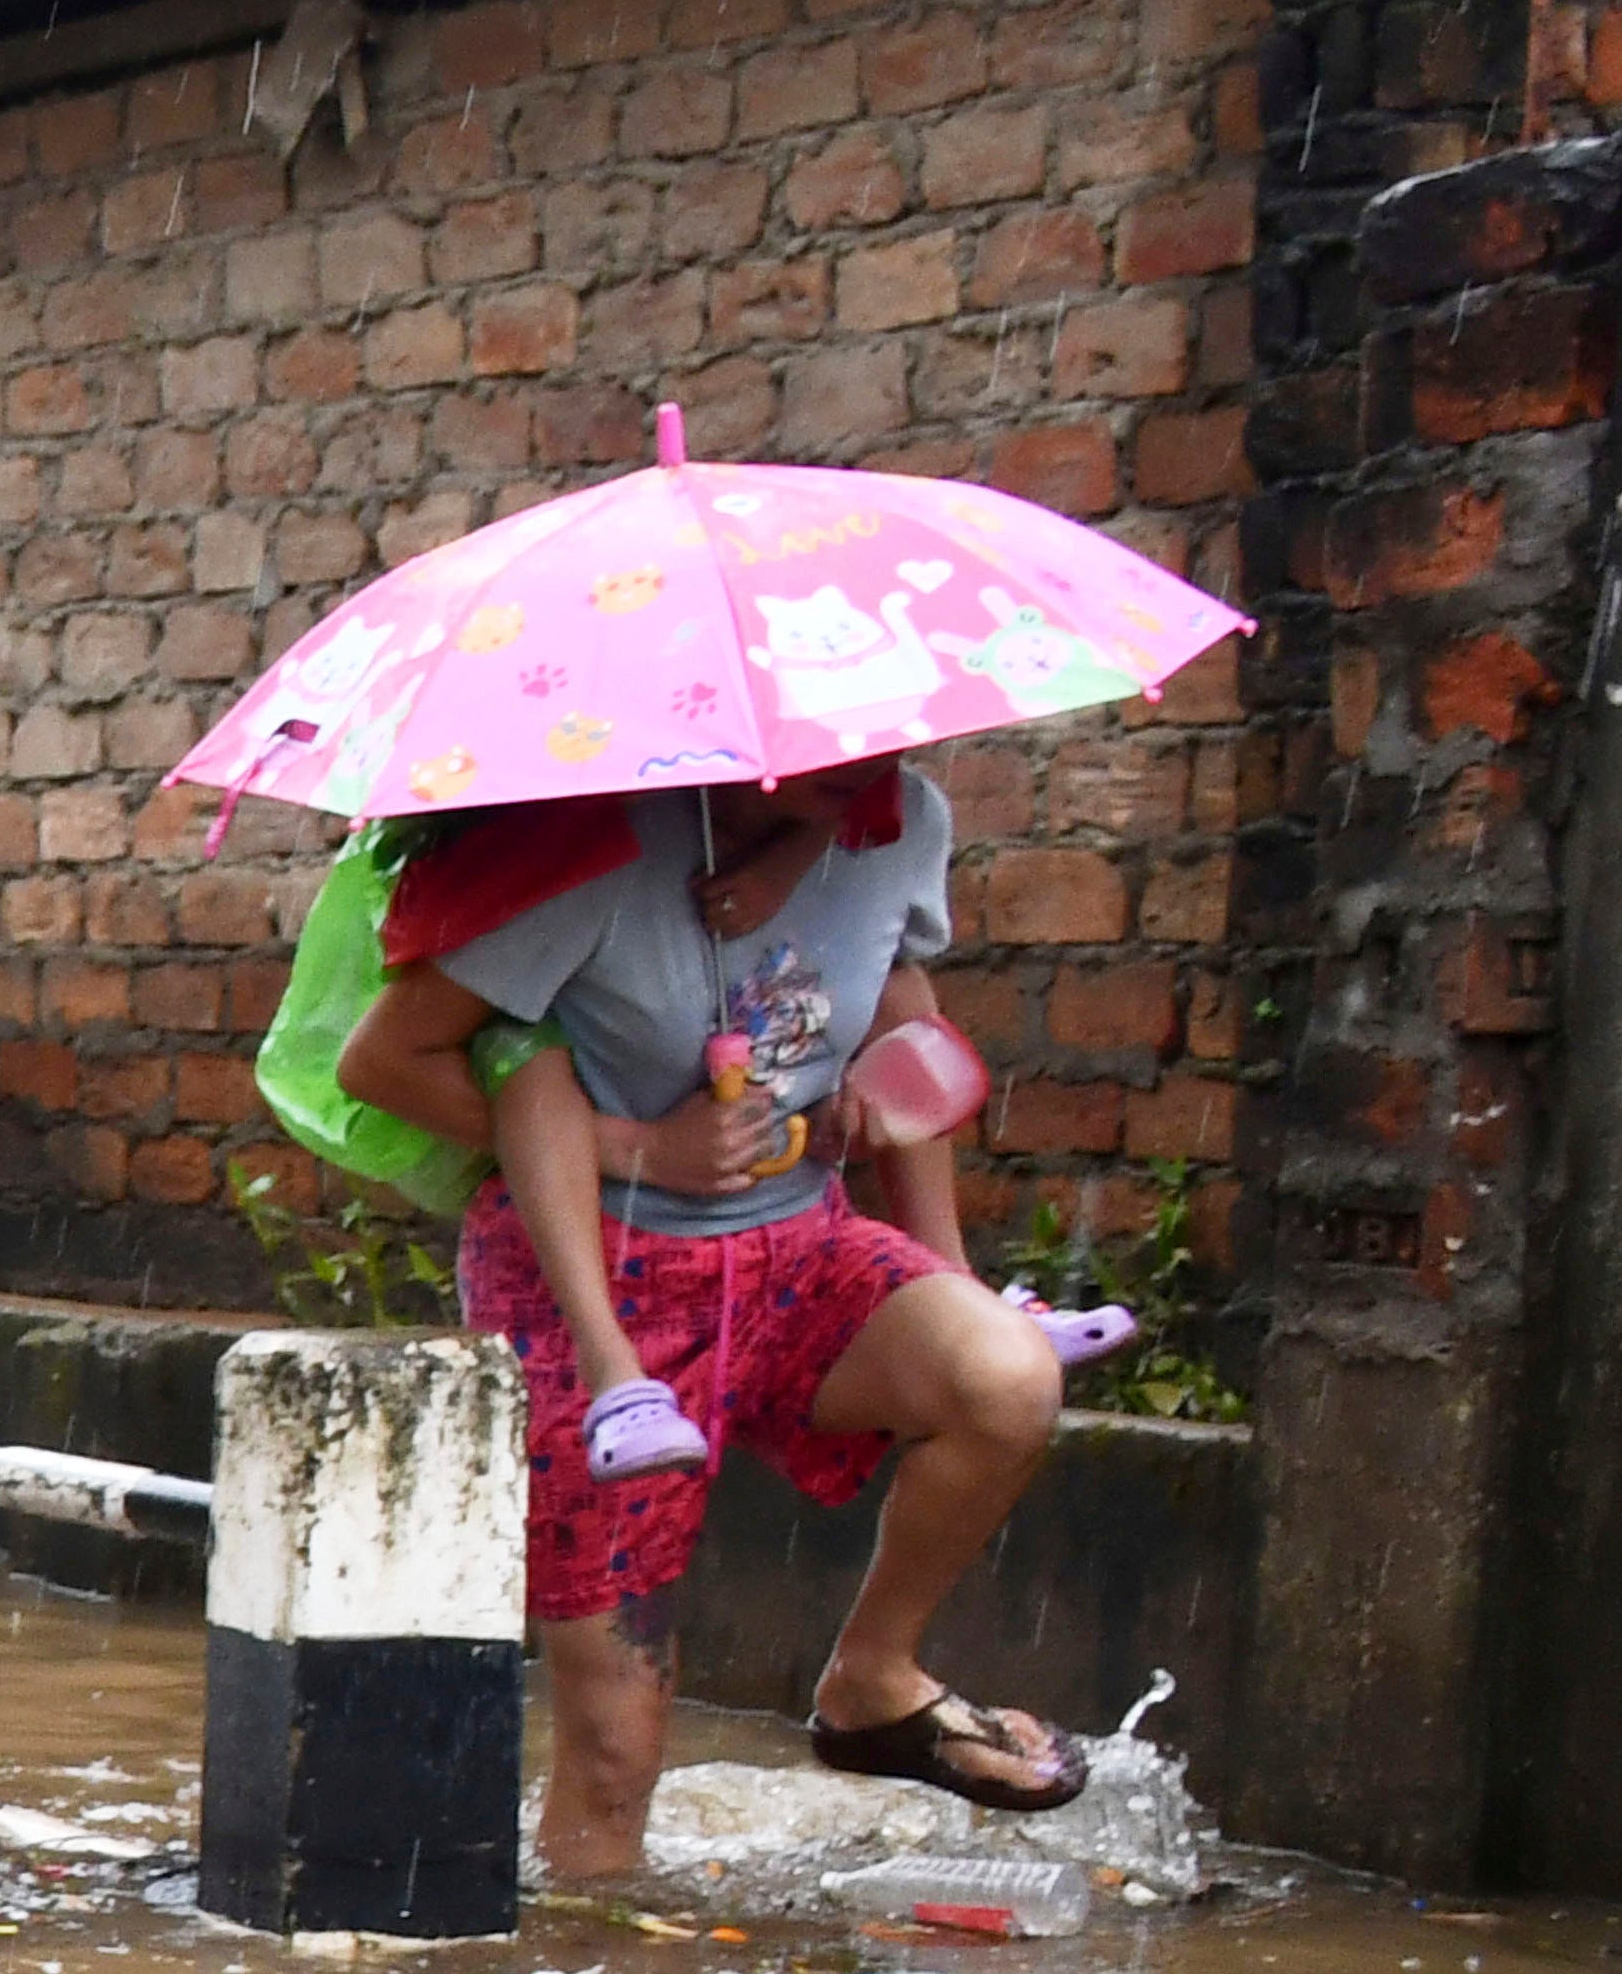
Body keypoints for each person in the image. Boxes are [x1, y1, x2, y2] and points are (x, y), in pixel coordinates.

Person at [336, 757, 1081, 1875]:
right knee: (613, 1748)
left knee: (1003, 1376)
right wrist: (641, 1150)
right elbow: (383, 1059)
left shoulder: (896, 816)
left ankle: (870, 1676)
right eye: (829, 754)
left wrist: (943, 1257)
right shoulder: (579, 845)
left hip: (798, 1248)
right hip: (590, 1278)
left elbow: (896, 1003)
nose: (869, 762)